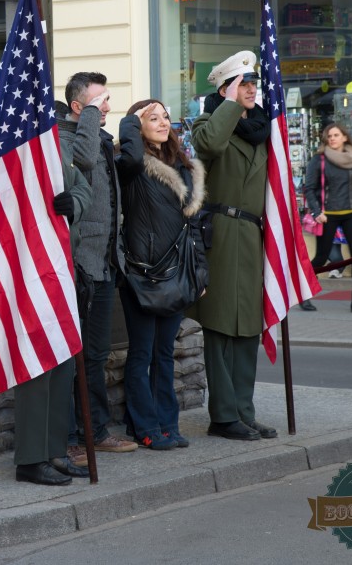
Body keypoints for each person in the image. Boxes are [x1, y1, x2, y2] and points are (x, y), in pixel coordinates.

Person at [191, 49, 276, 442]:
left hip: (251, 236)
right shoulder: (211, 121)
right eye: (243, 83)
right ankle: (223, 415)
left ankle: (244, 410)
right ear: (226, 89)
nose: (251, 89)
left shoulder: (261, 128)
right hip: (222, 233)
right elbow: (208, 144)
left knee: (246, 329)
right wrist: (229, 104)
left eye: (253, 84)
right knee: (221, 328)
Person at [117, 99, 207, 450]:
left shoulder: (184, 164)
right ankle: (144, 426)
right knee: (141, 354)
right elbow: (131, 160)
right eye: (151, 117)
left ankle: (168, 423)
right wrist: (129, 121)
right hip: (142, 272)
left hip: (179, 271)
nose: (162, 122)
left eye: (165, 116)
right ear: (137, 126)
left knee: (164, 354)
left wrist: (200, 274)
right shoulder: (131, 163)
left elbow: (194, 225)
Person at [56, 71, 135, 464]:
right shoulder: (65, 137)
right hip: (79, 264)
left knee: (98, 353)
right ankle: (72, 437)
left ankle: (96, 430)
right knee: (75, 356)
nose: (106, 106)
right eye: (98, 100)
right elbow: (82, 160)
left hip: (105, 264)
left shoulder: (99, 137)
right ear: (77, 107)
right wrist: (88, 115)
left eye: (106, 98)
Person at [14, 127, 93, 485]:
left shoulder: (55, 143)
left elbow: (82, 186)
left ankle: (54, 451)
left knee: (62, 361)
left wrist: (73, 203)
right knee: (35, 364)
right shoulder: (12, 133)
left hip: (60, 265)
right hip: (26, 267)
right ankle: (31, 458)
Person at [303, 123, 352, 315]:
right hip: (328, 215)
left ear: (344, 137)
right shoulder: (320, 160)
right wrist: (317, 212)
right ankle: (302, 292)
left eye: (336, 135)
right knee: (322, 257)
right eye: (329, 136)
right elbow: (309, 188)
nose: (332, 139)